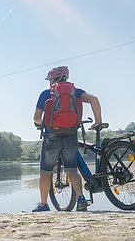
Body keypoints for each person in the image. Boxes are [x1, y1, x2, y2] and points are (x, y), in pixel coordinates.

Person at [33, 66, 102, 212]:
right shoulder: (75, 92)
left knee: (45, 172)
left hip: (51, 136)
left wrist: (43, 123)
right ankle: (81, 199)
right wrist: (97, 120)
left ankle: (44, 205)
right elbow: (94, 99)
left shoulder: (47, 93)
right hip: (71, 133)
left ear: (53, 79)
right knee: (72, 169)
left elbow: (36, 118)